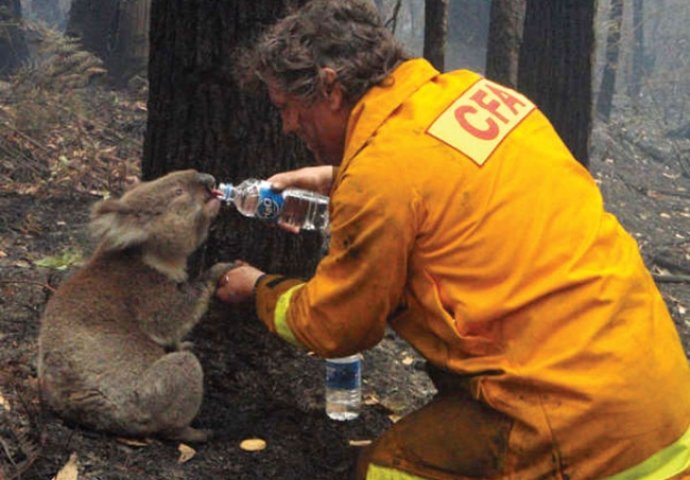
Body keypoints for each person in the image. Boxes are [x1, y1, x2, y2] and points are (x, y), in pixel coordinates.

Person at [216, 1, 690, 478]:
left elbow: (337, 326)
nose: (287, 127)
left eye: (288, 109)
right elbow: (442, 180)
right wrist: (338, 177)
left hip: (577, 427)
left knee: (387, 470)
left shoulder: (381, 178)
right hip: (660, 397)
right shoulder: (474, 94)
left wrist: (258, 288)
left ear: (330, 89)